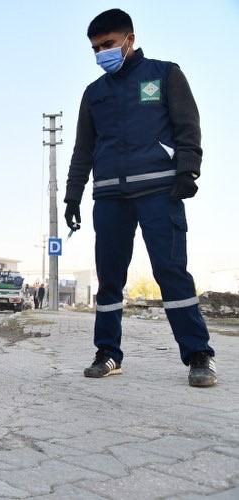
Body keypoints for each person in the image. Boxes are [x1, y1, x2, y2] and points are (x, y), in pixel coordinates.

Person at [64, 9, 216, 387]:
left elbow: (187, 126)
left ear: (129, 39)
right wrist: (72, 196)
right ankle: (108, 353)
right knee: (109, 279)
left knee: (171, 272)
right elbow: (83, 149)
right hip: (110, 196)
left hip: (159, 191)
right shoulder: (94, 93)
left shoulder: (165, 74)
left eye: (108, 44)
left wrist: (188, 170)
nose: (102, 53)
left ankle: (199, 354)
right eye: (96, 48)